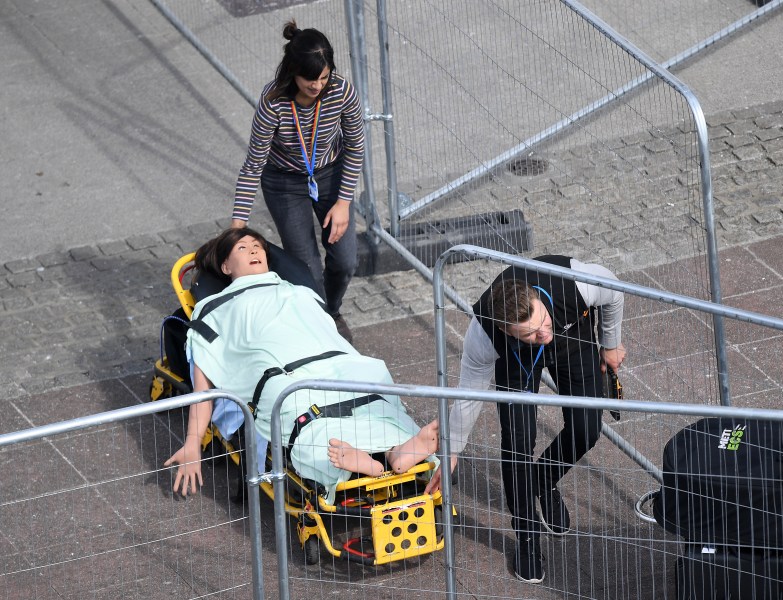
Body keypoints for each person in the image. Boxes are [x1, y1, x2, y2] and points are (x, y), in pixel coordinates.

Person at [164, 227, 438, 500]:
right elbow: (205, 377)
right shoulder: (214, 309)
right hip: (282, 372)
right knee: (300, 407)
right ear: (225, 266)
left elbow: (325, 332)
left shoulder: (297, 292)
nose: (254, 250)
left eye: (257, 246)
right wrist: (192, 443)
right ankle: (358, 462)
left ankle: (396, 452)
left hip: (335, 362)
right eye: (242, 248)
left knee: (371, 382)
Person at [426, 255, 626, 583]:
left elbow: (615, 291)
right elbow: (468, 396)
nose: (542, 334)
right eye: (531, 333)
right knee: (517, 444)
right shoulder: (485, 334)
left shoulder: (576, 283)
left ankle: (543, 480)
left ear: (537, 300)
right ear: (506, 330)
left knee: (587, 428)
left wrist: (610, 342)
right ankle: (527, 537)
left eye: (542, 322)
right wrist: (451, 451)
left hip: (574, 341)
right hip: (517, 363)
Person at [231, 20, 364, 341]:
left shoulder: (341, 91)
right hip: (284, 182)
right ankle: (320, 327)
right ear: (293, 72)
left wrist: (344, 202)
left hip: (331, 175)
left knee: (345, 260)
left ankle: (329, 310)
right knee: (307, 268)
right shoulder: (273, 102)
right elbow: (253, 165)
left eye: (323, 77)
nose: (318, 86)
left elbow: (356, 144)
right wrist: (237, 227)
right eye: (310, 80)